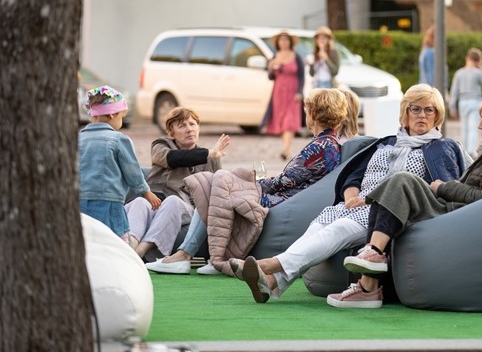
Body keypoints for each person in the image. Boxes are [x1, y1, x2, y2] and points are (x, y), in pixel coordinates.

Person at [229, 84, 469, 304]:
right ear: (405, 112)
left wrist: (368, 200)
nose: (422, 115)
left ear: (437, 116)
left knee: (338, 228)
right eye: (415, 109)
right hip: (355, 206)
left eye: (429, 110)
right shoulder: (386, 143)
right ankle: (272, 282)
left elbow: (442, 187)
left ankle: (271, 264)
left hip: (388, 212)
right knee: (319, 225)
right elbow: (354, 176)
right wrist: (350, 197)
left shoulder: (441, 147)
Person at [328, 91, 482, 309]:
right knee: (395, 183)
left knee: (400, 181)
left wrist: (443, 187)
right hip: (455, 206)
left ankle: (371, 273)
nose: (479, 125)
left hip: (460, 214)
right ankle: (372, 267)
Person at [145, 88, 348, 275]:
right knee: (217, 185)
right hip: (287, 197)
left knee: (218, 187)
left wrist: (251, 182)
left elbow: (285, 181)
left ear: (312, 113)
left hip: (283, 200)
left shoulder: (320, 146)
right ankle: (210, 256)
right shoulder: (326, 143)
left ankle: (188, 255)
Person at [125, 107, 230, 261]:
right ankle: (128, 248)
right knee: (140, 202)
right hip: (155, 201)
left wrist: (210, 156)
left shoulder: (212, 157)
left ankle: (140, 253)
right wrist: (208, 154)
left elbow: (217, 190)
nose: (189, 130)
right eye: (182, 126)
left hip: (186, 208)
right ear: (171, 132)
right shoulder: (160, 145)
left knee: (173, 202)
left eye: (192, 124)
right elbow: (173, 159)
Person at [79, 85, 161, 241]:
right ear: (111, 115)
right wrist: (146, 192)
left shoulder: (78, 138)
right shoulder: (118, 140)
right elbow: (132, 171)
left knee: (88, 239)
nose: (121, 121)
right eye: (121, 117)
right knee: (118, 240)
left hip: (80, 201)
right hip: (108, 202)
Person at [261, 30, 304, 160]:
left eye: (286, 40)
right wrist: (271, 67)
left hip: (293, 92)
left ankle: (285, 150)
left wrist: (299, 92)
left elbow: (302, 76)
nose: (283, 42)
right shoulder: (274, 57)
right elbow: (271, 76)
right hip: (279, 92)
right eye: (281, 40)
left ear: (290, 42)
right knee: (280, 120)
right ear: (278, 43)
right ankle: (287, 148)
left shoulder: (296, 57)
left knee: (290, 121)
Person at [449, 48, 482, 156]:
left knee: (464, 127)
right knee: (473, 127)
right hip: (475, 102)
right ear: (478, 61)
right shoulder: (478, 73)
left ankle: (463, 151)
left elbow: (454, 91)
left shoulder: (459, 73)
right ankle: (471, 151)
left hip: (462, 102)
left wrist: (452, 107)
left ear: (467, 58)